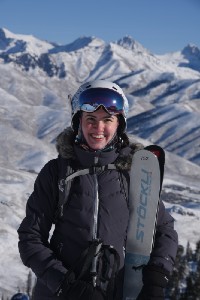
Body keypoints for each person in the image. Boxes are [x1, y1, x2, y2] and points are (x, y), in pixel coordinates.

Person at [18, 80, 178, 300]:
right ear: (78, 122)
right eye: (90, 119)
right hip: (60, 293)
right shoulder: (57, 172)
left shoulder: (133, 174)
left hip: (117, 291)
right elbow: (30, 237)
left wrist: (156, 278)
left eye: (107, 120)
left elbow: (164, 230)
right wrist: (66, 285)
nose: (98, 128)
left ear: (119, 124)